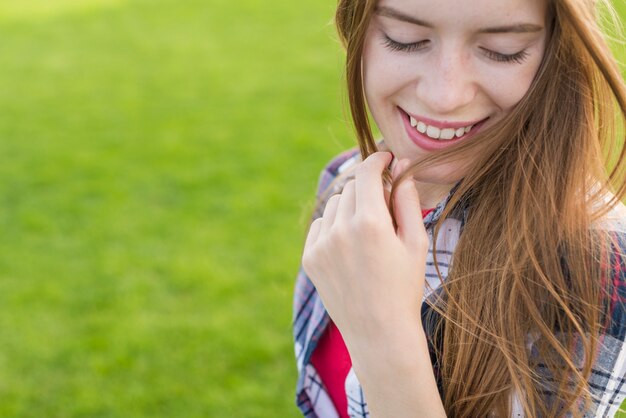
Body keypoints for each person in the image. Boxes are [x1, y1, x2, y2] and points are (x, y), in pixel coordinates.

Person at [293, 0, 626, 416]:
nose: (445, 96)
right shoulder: (346, 181)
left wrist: (385, 343)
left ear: (558, 51)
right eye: (406, 40)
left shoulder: (593, 261)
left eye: (503, 50)